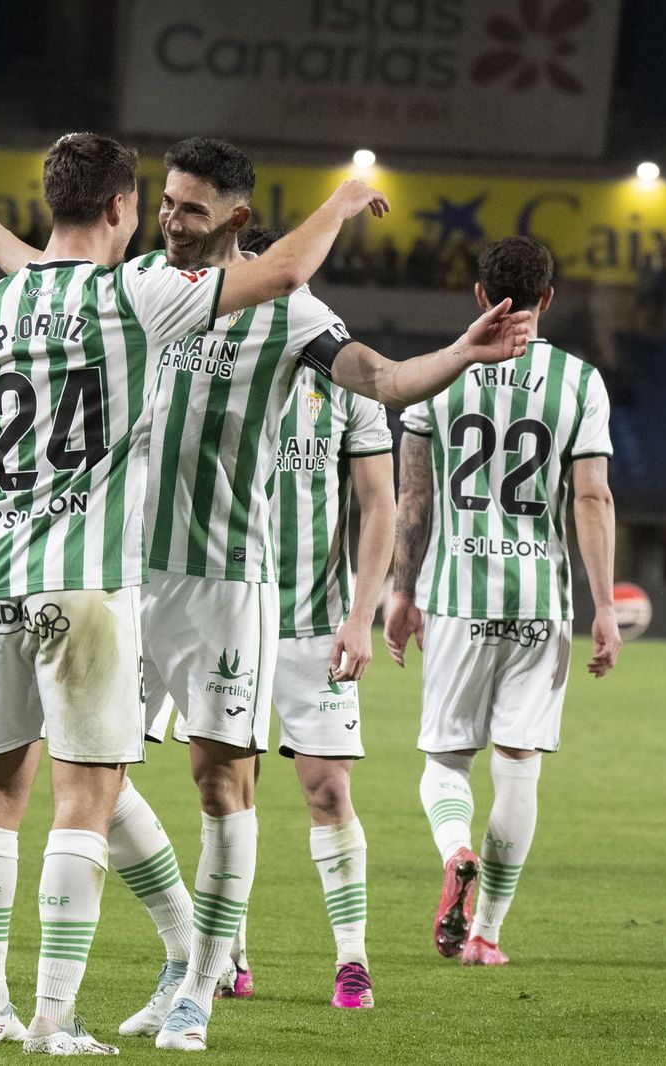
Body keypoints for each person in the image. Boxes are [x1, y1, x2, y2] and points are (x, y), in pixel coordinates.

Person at [0, 138, 534, 1049]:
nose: (169, 219)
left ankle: (201, 988)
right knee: (92, 774)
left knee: (221, 786)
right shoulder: (137, 290)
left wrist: (459, 352)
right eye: (164, 202)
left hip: (223, 585)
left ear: (237, 220)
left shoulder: (287, 313)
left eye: (191, 209)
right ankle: (179, 944)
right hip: (121, 575)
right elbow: (44, 284)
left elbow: (383, 380)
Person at [386, 236, 622, 967]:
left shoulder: (442, 375)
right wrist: (606, 606)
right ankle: (486, 933)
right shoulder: (580, 382)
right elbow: (591, 494)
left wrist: (401, 590)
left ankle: (456, 850)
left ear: (481, 296)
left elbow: (413, 497)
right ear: (547, 300)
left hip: (457, 597)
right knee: (519, 764)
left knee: (446, 761)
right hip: (540, 605)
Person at [213, 225, 395, 1009]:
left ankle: (351, 958)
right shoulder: (211, 361)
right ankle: (229, 953)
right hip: (225, 613)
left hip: (315, 623)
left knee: (327, 791)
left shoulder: (341, 367)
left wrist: (362, 615)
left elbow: (379, 504)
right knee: (228, 791)